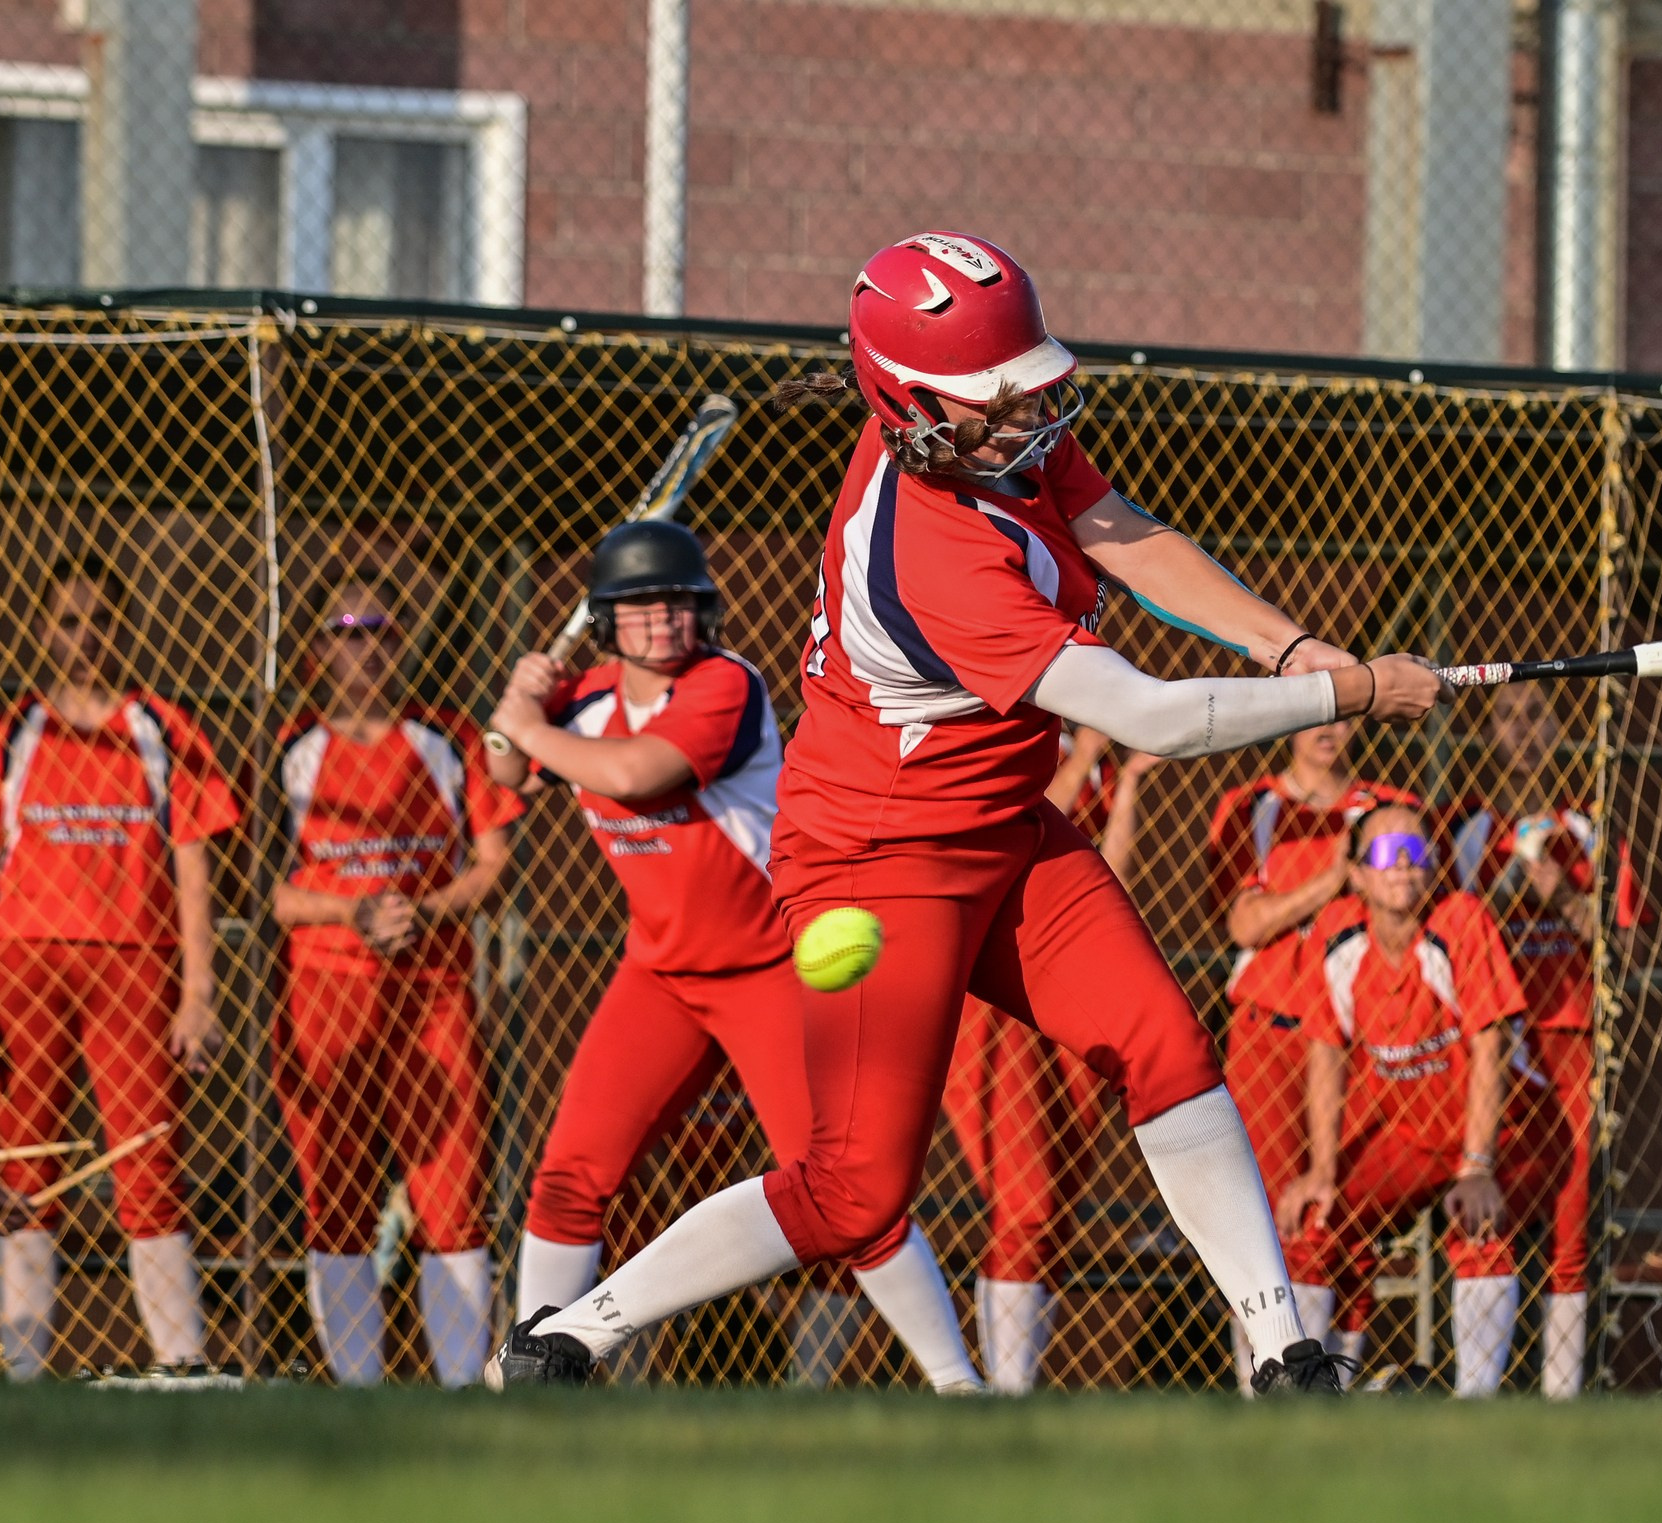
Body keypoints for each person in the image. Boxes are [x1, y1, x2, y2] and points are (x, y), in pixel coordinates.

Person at [492, 230, 1446, 1394]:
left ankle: (1285, 1350)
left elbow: (1125, 531)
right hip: (880, 861)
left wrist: (1291, 643)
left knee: (1164, 1045)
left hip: (1004, 825)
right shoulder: (930, 554)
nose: (1030, 417)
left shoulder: (986, 442)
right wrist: (1347, 690)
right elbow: (1151, 718)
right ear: (912, 407)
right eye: (998, 400)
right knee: (853, 1189)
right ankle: (571, 1336)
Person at [488, 519, 981, 1393]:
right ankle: (526, 1370)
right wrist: (514, 719)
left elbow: (640, 774)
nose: (666, 617)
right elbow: (506, 779)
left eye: (681, 601)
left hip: (770, 965)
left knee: (843, 1186)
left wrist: (526, 726)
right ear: (606, 618)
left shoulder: (727, 683)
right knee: (571, 1174)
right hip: (661, 974)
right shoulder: (585, 697)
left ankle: (955, 1382)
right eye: (642, 604)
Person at [0, 552, 242, 1379]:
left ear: (124, 627)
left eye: (100, 619)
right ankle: (23, 1369)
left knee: (149, 1163)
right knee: (25, 1171)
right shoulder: (10, 735)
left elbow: (192, 866)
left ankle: (182, 1364)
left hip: (135, 968)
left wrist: (200, 991)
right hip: (23, 966)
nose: (85, 636)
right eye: (68, 620)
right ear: (44, 629)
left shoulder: (162, 729)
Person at [270, 574, 518, 1387]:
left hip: (432, 990)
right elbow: (267, 892)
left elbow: (492, 864)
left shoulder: (444, 738)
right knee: (334, 1195)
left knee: (450, 1191)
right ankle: (356, 1392)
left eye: (379, 628)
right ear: (317, 647)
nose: (364, 645)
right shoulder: (293, 747)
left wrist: (427, 908)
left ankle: (459, 1391)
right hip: (325, 993)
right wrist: (350, 914)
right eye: (346, 629)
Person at [1272, 806, 1563, 1397]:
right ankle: (1310, 1398)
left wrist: (1477, 1167)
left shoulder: (1460, 920)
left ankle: (1474, 1406)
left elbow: (1490, 1045)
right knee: (1317, 1219)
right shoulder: (1340, 935)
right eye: (1384, 853)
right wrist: (1323, 1170)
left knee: (1480, 1219)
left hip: (1500, 1130)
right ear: (1356, 874)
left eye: (1415, 850)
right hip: (1407, 1134)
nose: (1402, 863)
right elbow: (1326, 1053)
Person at [943, 730, 1162, 1393]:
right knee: (1025, 1202)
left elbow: (1108, 879)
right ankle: (1003, 1390)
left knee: (1057, 1205)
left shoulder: (1087, 756)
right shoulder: (999, 731)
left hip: (1065, 984)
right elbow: (1015, 835)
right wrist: (1088, 755)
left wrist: (1129, 786)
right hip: (994, 993)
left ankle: (1020, 1384)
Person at [1441, 680, 1642, 1399]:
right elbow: (1446, 941)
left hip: (1571, 1042)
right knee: (1484, 1206)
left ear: (1559, 733)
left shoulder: (1589, 830)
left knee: (1570, 1225)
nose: (1522, 732)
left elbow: (1620, 945)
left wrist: (1558, 892)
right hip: (1495, 1048)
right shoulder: (1467, 831)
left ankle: (1562, 1400)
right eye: (1506, 718)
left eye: (1536, 718)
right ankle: (1478, 1390)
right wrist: (1502, 895)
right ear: (1489, 734)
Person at [1208, 721, 1419, 1383]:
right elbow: (1244, 922)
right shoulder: (1252, 806)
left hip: (1357, 1039)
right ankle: (1263, 1384)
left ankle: (1335, 1384)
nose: (1330, 727)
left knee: (1344, 1214)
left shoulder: (1387, 808)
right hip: (1268, 1035)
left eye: (1343, 709)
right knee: (1264, 1223)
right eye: (1316, 708)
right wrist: (1332, 881)